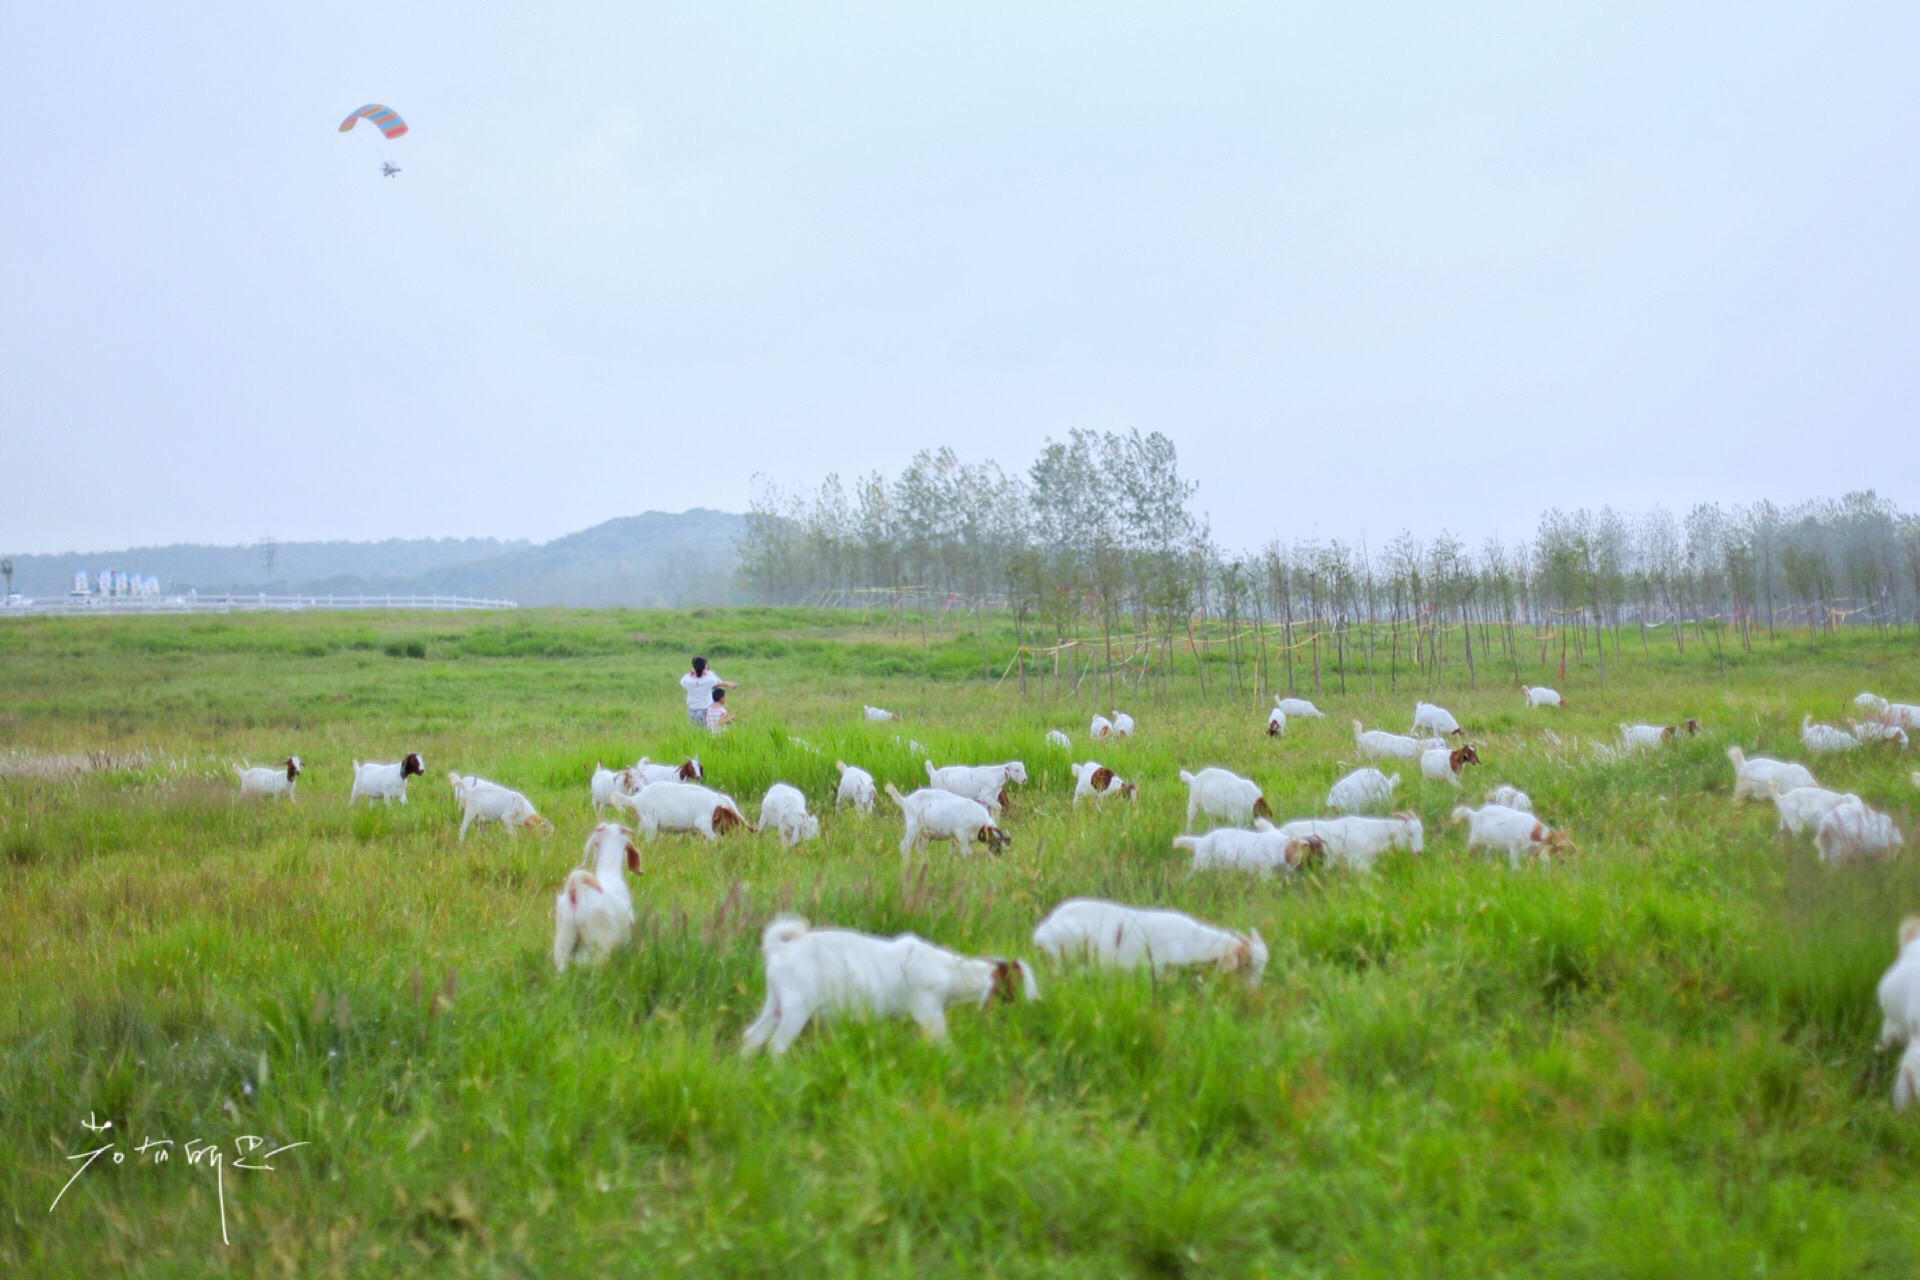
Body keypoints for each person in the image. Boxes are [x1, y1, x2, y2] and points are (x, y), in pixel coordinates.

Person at [679, 656, 735, 728]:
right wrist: (707, 672)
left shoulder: (688, 681)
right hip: (705, 709)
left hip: (692, 709)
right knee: (706, 729)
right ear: (705, 667)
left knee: (694, 730)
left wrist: (690, 673)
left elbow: (682, 680)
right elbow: (715, 680)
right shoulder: (708, 680)